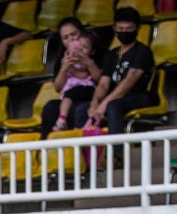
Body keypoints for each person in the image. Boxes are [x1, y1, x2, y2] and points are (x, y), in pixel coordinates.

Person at [86, 7, 157, 136]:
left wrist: (104, 103)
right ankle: (87, 154)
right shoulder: (112, 54)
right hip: (116, 97)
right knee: (82, 109)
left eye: (129, 29)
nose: (124, 32)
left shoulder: (143, 51)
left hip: (140, 96)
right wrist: (95, 102)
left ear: (138, 28)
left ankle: (116, 153)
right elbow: (103, 83)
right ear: (114, 29)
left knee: (113, 105)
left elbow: (129, 82)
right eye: (120, 29)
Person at [40, 17, 103, 137]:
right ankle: (47, 148)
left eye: (74, 34)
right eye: (65, 37)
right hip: (69, 97)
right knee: (50, 107)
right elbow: (58, 87)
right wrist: (65, 67)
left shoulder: (94, 52)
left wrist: (89, 63)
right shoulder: (63, 58)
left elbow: (101, 81)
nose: (71, 40)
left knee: (80, 109)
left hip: (91, 95)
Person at [49, 32, 99, 136]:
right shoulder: (71, 61)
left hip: (87, 89)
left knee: (71, 96)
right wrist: (65, 67)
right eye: (79, 47)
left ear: (92, 51)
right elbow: (57, 87)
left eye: (85, 48)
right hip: (71, 92)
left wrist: (72, 69)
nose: (80, 51)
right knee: (52, 106)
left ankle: (63, 120)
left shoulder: (87, 62)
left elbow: (83, 76)